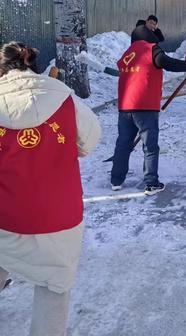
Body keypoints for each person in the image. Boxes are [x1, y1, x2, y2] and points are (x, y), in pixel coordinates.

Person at [0, 42, 101, 335]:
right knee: (54, 286)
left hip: (5, 214)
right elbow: (91, 139)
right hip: (59, 217)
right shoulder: (64, 99)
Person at [111, 25, 186, 194]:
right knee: (150, 146)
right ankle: (151, 183)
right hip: (145, 106)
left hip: (125, 107)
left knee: (123, 144)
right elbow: (166, 62)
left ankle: (116, 180)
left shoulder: (127, 53)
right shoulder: (150, 49)